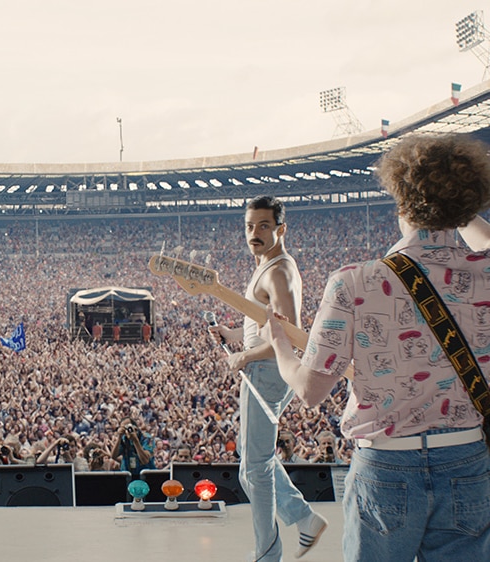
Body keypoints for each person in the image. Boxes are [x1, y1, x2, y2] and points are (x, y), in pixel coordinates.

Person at [263, 134, 490, 561]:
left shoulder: (354, 281)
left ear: (401, 202)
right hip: (467, 460)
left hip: (387, 465)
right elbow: (481, 239)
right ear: (465, 205)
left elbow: (310, 392)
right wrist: (460, 210)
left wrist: (280, 346)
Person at [208, 195, 326, 561]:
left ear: (280, 228)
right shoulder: (268, 265)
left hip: (267, 371)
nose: (254, 233)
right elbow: (267, 325)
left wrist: (245, 355)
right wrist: (234, 336)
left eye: (263, 225)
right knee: (251, 457)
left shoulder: (277, 270)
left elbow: (290, 335)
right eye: (249, 226)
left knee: (255, 470)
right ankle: (303, 519)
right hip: (265, 368)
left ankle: (268, 553)